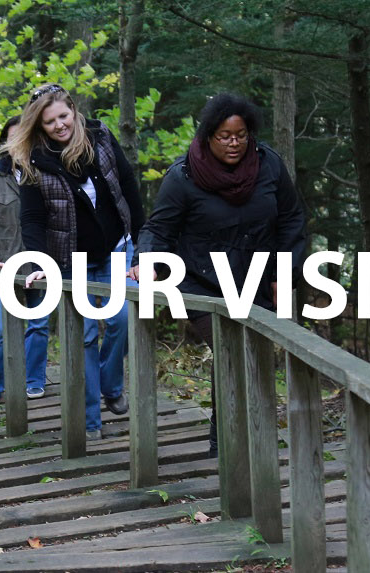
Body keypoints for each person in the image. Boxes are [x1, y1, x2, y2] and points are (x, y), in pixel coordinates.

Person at [137, 93, 307, 456]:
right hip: (201, 282)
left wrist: (282, 272)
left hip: (255, 278)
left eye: (241, 135)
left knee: (255, 357)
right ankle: (224, 444)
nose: (234, 143)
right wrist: (146, 259)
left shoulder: (269, 166)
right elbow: (159, 229)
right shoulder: (183, 176)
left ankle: (250, 435)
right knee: (231, 350)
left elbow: (291, 218)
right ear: (208, 136)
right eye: (225, 136)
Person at [5, 84, 142, 441]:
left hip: (116, 248)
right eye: (49, 122)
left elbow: (128, 187)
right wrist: (39, 261)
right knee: (81, 337)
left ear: (73, 110)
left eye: (63, 116)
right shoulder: (31, 159)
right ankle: (90, 422)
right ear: (39, 124)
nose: (59, 125)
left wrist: (144, 246)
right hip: (70, 260)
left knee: (123, 318)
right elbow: (32, 218)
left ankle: (112, 386)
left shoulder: (101, 138)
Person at [0, 117, 49, 405]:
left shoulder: (44, 176)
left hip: (40, 266)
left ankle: (34, 381)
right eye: (12, 137)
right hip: (7, 267)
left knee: (39, 325)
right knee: (1, 331)